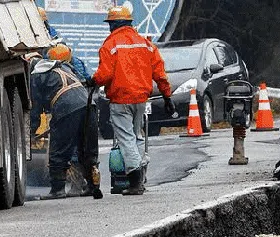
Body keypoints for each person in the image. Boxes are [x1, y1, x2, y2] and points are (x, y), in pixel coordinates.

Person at [89, 5, 174, 196]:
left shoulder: (110, 45)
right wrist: (167, 96)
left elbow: (104, 74)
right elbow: (160, 73)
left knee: (126, 139)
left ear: (115, 24)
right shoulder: (145, 44)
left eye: (110, 24)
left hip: (121, 100)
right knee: (136, 137)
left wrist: (93, 81)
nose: (109, 27)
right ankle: (141, 175)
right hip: (141, 99)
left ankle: (135, 181)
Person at [30, 44, 103, 200]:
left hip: (66, 107)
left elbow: (36, 106)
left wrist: (32, 129)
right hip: (88, 104)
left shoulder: (37, 75)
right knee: (87, 148)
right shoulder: (67, 68)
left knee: (59, 149)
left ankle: (57, 189)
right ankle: (93, 185)